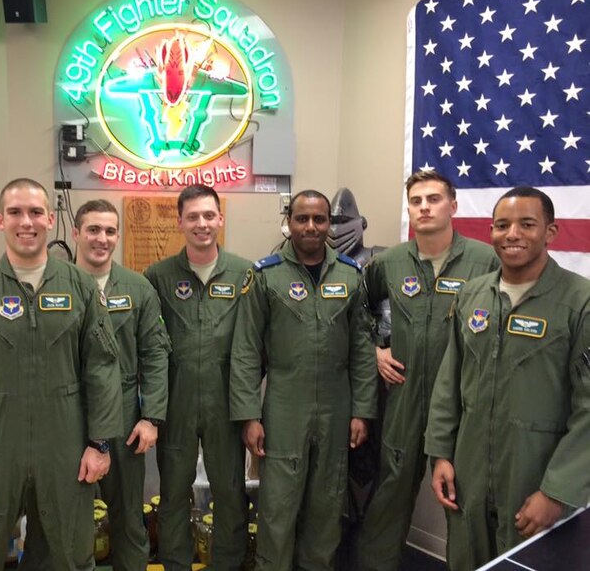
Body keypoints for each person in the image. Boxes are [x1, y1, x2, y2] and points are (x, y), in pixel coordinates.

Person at [0, 178, 122, 570]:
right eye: (16, 212)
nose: (27, 222)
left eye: (36, 212)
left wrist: (100, 443)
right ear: (0, 220)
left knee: (67, 554)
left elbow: (103, 368)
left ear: (51, 219)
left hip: (66, 447)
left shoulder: (81, 288)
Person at [425, 187, 589, 570]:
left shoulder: (578, 302)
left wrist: (557, 491)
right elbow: (449, 382)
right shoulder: (472, 295)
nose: (512, 233)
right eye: (502, 225)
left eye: (526, 224)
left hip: (535, 475)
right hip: (468, 471)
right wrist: (440, 455)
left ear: (551, 231)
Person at [355, 171, 498, 571]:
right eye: (417, 201)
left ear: (452, 206)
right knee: (389, 495)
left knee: (461, 498)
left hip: (462, 402)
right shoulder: (390, 262)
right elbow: (358, 309)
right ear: (409, 209)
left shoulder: (486, 260)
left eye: (434, 199)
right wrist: (375, 350)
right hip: (404, 397)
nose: (424, 207)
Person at [230, 189, 378, 570]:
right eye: (302, 219)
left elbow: (363, 349)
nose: (311, 227)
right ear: (289, 222)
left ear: (329, 223)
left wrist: (362, 410)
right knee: (278, 507)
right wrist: (249, 416)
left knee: (327, 505)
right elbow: (246, 351)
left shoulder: (349, 274)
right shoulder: (265, 275)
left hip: (336, 406)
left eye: (319, 219)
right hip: (283, 406)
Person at [144, 184, 251, 571]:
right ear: (180, 222)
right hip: (177, 402)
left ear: (220, 219)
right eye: (193, 217)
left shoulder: (245, 274)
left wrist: (251, 411)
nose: (202, 224)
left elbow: (255, 345)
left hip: (227, 402)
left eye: (209, 216)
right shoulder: (157, 276)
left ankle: (227, 564)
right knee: (172, 495)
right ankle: (175, 564)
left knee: (230, 493)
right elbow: (150, 345)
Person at [71, 199, 169, 571]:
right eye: (93, 229)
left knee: (129, 517)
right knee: (70, 518)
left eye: (110, 231)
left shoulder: (137, 287)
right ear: (76, 232)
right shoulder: (56, 284)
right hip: (71, 409)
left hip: (126, 414)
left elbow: (156, 355)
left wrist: (152, 417)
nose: (102, 238)